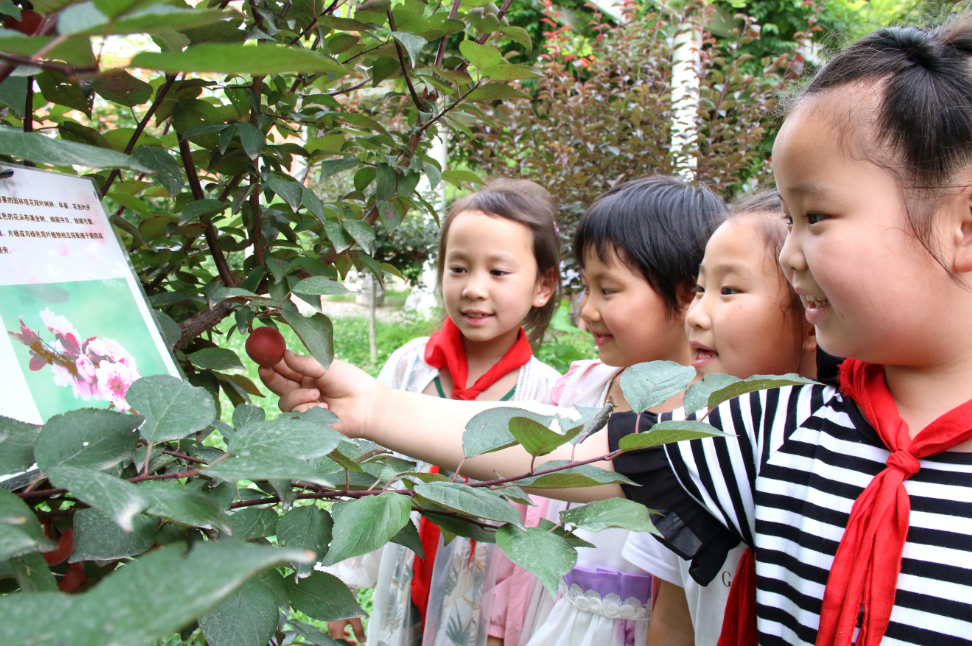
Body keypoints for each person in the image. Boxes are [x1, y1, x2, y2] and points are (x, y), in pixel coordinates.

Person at [264, 17, 972, 645]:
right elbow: (574, 445)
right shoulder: (778, 430)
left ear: (962, 226)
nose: (790, 255)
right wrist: (379, 409)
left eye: (814, 217)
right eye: (786, 221)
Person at [326, 179, 563, 646]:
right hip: (405, 584)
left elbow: (542, 523)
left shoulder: (546, 395)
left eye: (498, 272)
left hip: (486, 614)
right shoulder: (410, 368)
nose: (474, 288)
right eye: (458, 268)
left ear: (543, 285)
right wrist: (343, 581)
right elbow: (368, 476)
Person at [515, 177, 724, 646]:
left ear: (688, 294)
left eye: (608, 290)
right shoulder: (583, 388)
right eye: (585, 288)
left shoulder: (712, 412)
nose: (586, 311)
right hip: (561, 616)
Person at [621, 190, 816, 646]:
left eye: (729, 290)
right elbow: (673, 620)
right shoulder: (687, 451)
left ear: (811, 314)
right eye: (701, 289)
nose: (696, 315)